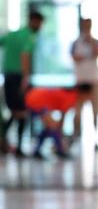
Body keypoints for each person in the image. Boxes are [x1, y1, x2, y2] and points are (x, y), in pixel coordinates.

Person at [1, 9, 45, 157]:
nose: (40, 27)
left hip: (8, 75)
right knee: (22, 112)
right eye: (39, 23)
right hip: (18, 77)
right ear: (34, 21)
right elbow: (25, 56)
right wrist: (25, 79)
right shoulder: (29, 36)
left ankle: (3, 141)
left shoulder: (13, 34)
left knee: (15, 111)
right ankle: (18, 147)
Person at [70, 17, 98, 149]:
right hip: (80, 81)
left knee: (96, 111)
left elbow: (96, 53)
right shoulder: (75, 44)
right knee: (77, 112)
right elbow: (75, 58)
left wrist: (90, 41)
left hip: (94, 80)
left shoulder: (97, 42)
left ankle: (96, 139)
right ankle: (76, 138)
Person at [24, 87, 78, 160]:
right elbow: (62, 118)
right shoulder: (72, 97)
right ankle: (59, 150)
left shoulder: (70, 95)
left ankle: (37, 151)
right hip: (37, 101)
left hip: (33, 97)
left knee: (49, 128)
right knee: (53, 127)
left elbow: (61, 119)